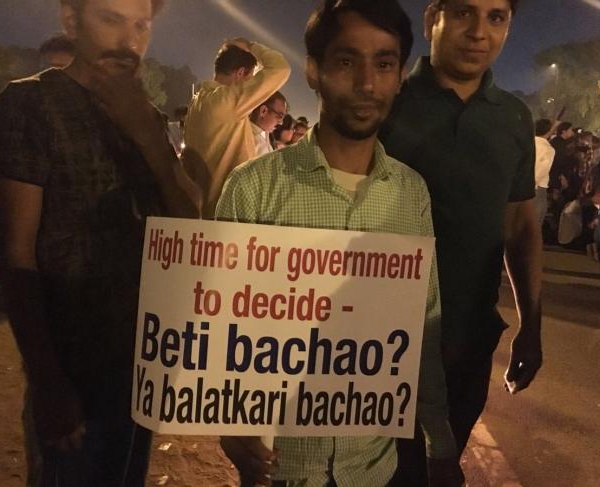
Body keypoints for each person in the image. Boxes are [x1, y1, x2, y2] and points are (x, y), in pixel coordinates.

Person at [216, 1, 462, 486]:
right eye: (347, 61)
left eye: (384, 64)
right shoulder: (252, 188)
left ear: (399, 76)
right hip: (280, 468)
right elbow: (220, 326)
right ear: (314, 71)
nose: (367, 83)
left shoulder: (411, 193)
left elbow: (422, 322)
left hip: (373, 468)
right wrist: (230, 426)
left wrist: (439, 440)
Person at [0, 0, 200, 485]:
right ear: (71, 21)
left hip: (142, 361)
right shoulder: (31, 104)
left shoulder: (145, 115)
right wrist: (48, 382)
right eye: (110, 19)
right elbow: (17, 254)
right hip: (72, 368)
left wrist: (147, 134)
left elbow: (189, 225)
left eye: (141, 25)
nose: (129, 41)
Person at [379, 1, 543, 484]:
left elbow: (519, 226)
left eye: (496, 17)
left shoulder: (514, 118)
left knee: (440, 466)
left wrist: (531, 325)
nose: (479, 32)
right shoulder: (386, 101)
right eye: (465, 13)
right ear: (434, 18)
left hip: (467, 343)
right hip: (376, 342)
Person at [184, 38, 290, 216]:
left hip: (205, 212)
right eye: (251, 78)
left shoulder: (198, 101)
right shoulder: (225, 103)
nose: (251, 85)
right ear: (240, 73)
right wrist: (250, 46)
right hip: (228, 214)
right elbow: (280, 68)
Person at [249, 91, 288, 156]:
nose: (281, 123)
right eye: (279, 116)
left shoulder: (265, 136)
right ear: (263, 111)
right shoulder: (249, 141)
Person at [534, 118, 556, 229]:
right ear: (548, 131)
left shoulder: (527, 143)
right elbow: (542, 170)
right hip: (538, 187)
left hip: (520, 185)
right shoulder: (548, 149)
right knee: (535, 220)